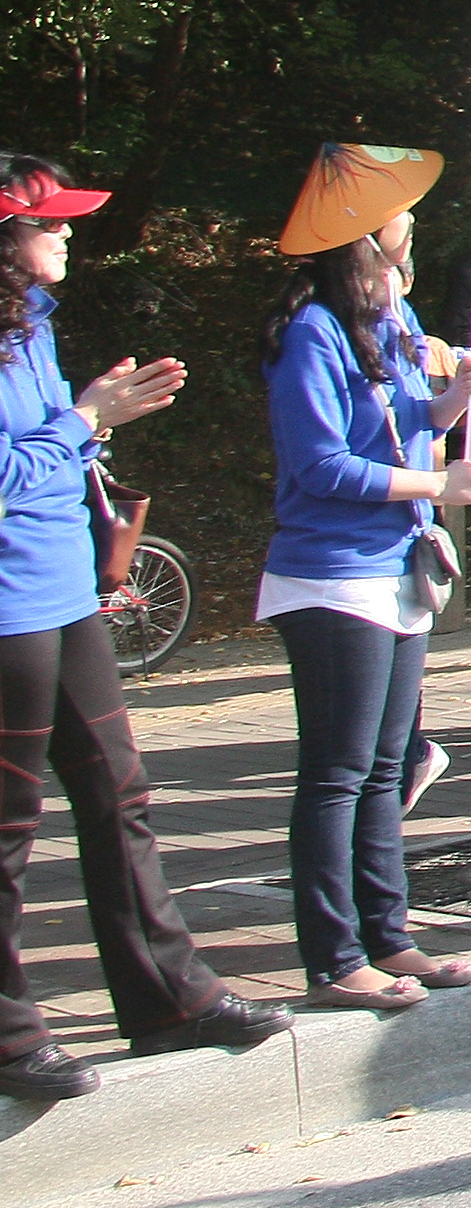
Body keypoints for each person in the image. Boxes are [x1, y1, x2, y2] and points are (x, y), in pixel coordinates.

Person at [0, 160, 283, 1099]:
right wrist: (85, 418)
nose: (71, 233)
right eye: (53, 222)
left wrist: (89, 418)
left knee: (120, 794)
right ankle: (7, 1039)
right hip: (7, 614)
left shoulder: (29, 325)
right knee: (9, 830)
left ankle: (171, 1000)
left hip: (64, 595)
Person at [261, 144, 471, 1015]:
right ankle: (333, 954)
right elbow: (319, 463)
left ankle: (388, 932)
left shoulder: (391, 321)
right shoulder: (313, 331)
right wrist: (436, 485)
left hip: (395, 566)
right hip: (331, 574)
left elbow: (398, 428)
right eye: (399, 213)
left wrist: (452, 402)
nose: (414, 225)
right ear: (364, 234)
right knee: (338, 769)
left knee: (389, 760)